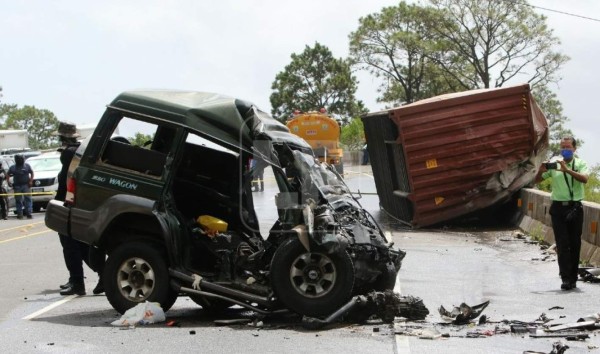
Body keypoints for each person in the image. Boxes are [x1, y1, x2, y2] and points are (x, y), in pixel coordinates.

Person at [54, 122, 105, 296]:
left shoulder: (69, 153)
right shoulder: (82, 150)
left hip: (68, 202)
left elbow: (65, 182)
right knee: (81, 244)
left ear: (62, 137)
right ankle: (104, 275)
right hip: (79, 201)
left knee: (69, 244)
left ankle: (77, 281)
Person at [535, 136, 588, 291]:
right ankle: (565, 278)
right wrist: (540, 171)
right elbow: (537, 181)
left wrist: (567, 170)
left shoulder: (580, 163)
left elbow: (585, 179)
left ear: (574, 149)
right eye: (562, 147)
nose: (565, 150)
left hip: (575, 208)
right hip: (558, 208)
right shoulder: (554, 163)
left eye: (568, 147)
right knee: (562, 244)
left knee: (575, 243)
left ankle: (573, 278)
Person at [7, 154, 34, 219]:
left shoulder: (27, 166)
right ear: (16, 160)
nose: (21, 160)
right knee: (18, 200)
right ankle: (20, 214)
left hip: (26, 185)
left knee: (28, 199)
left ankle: (29, 213)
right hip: (17, 186)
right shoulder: (13, 167)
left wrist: (30, 181)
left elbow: (32, 173)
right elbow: (7, 174)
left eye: (22, 159)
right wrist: (8, 182)